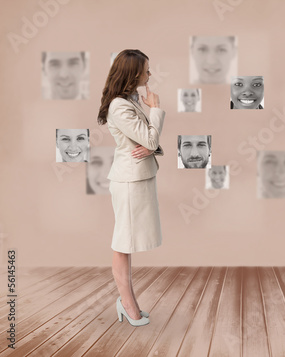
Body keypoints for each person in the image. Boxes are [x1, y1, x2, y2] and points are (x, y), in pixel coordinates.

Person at [97, 49, 165, 327]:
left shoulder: (128, 101)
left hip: (138, 178)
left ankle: (130, 303)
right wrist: (156, 108)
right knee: (122, 243)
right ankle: (127, 304)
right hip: (128, 181)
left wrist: (150, 148)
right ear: (133, 72)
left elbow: (146, 142)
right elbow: (148, 139)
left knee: (127, 243)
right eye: (147, 70)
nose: (150, 75)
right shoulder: (119, 106)